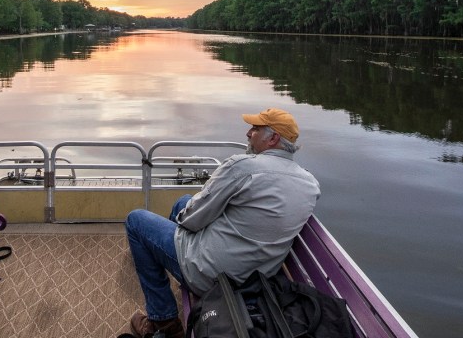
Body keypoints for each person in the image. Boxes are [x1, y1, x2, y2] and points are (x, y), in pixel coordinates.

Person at [124, 108, 321, 338]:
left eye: (255, 129)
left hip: (213, 275)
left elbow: (193, 219)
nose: (248, 133)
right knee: (184, 201)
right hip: (257, 277)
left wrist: (184, 224)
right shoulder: (310, 184)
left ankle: (164, 321)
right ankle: (165, 262)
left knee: (137, 221)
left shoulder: (243, 167)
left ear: (273, 138)